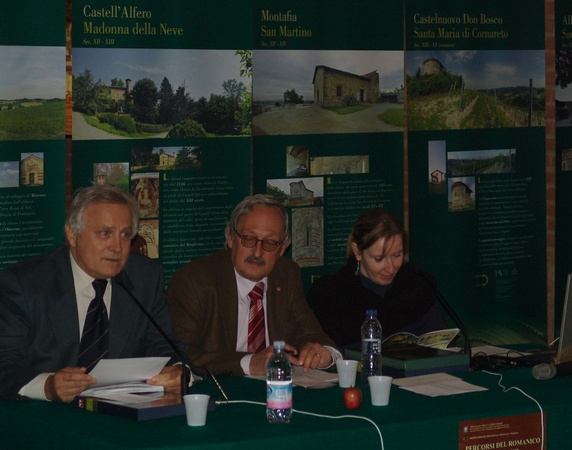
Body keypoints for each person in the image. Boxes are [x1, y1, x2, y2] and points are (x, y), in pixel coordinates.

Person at [0, 185, 192, 402]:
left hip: (120, 416)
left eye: (125, 234)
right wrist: (47, 385)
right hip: (43, 419)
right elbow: (4, 363)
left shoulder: (145, 278)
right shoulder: (25, 284)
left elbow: (165, 347)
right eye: (105, 233)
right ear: (72, 235)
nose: (117, 247)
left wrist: (179, 372)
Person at [167, 194, 340, 377]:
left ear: (282, 249)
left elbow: (310, 333)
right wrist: (249, 363)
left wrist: (326, 354)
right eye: (249, 239)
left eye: (270, 243)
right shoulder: (194, 282)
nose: (257, 252)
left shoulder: (286, 274)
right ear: (231, 238)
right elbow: (179, 355)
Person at [307, 209, 448, 348]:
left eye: (397, 255)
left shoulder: (417, 286)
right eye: (379, 258)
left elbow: (444, 345)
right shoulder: (331, 294)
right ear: (357, 251)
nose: (390, 268)